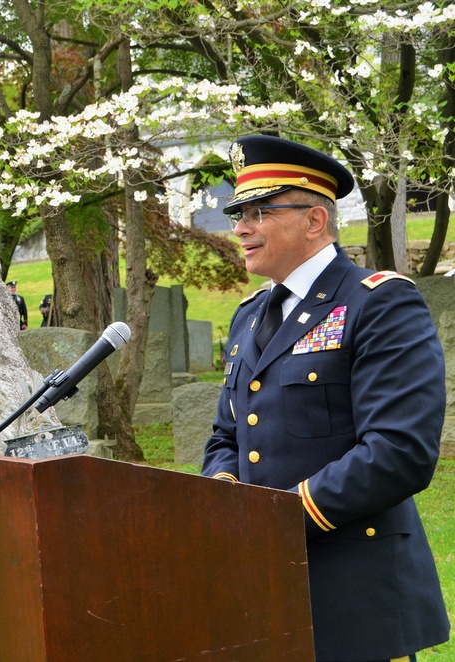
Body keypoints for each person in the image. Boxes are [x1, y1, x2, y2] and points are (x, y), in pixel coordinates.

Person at [201, 134, 449, 662]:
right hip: (261, 585)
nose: (240, 228)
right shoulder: (249, 316)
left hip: (351, 593)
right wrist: (227, 508)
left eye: (259, 212)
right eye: (237, 213)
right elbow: (227, 434)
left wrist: (279, 520)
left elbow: (399, 450)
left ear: (314, 221)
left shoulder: (379, 304)